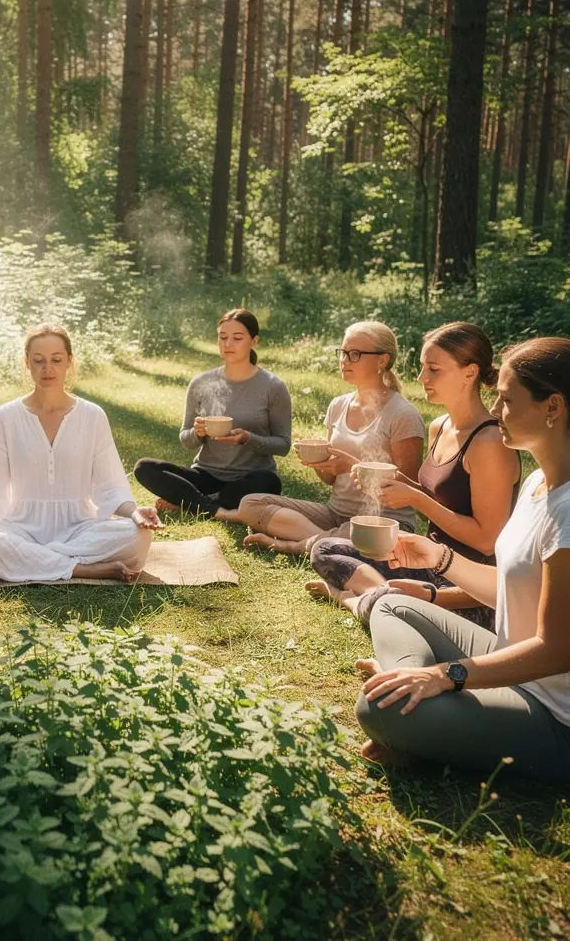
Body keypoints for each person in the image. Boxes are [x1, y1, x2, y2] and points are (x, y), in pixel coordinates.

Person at [355, 337, 570, 783]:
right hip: (511, 664)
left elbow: (557, 650)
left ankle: (414, 709)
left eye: (506, 400)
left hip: (554, 716)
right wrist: (439, 558)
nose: (495, 410)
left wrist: (446, 675)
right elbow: (510, 588)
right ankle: (410, 691)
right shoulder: (536, 485)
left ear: (553, 407)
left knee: (377, 707)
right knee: (389, 603)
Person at [307, 323, 521, 629]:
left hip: (468, 586)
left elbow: (487, 540)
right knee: (327, 549)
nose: (422, 378)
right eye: (423, 368)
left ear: (469, 373)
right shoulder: (440, 426)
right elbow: (439, 495)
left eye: (434, 369)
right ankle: (385, 599)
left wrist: (415, 498)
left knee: (356, 570)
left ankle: (355, 599)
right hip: (426, 559)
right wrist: (392, 481)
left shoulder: (489, 443)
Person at [0, 324, 163, 581]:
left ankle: (26, 562)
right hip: (19, 528)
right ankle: (81, 569)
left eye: (56, 360)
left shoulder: (92, 416)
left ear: (69, 361)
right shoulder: (5, 417)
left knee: (138, 535)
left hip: (80, 529)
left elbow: (111, 487)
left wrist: (135, 513)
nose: (48, 368)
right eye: (38, 361)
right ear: (27, 364)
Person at [237, 320, 426, 555]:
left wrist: (352, 465)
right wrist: (318, 462)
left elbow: (410, 488)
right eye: (343, 352)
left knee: (364, 533)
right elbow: (330, 479)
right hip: (335, 514)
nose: (345, 360)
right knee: (250, 505)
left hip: (384, 521)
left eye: (355, 354)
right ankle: (327, 541)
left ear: (382, 360)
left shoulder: (403, 415)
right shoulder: (338, 405)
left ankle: (294, 545)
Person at [133, 309, 291, 522]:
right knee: (145, 467)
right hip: (206, 475)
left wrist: (248, 439)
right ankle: (214, 506)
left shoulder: (273, 386)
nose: (228, 344)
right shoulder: (201, 383)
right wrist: (197, 433)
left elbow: (283, 445)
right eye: (223, 337)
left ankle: (192, 501)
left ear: (254, 341)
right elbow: (185, 438)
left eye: (237, 338)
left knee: (270, 482)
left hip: (249, 478)